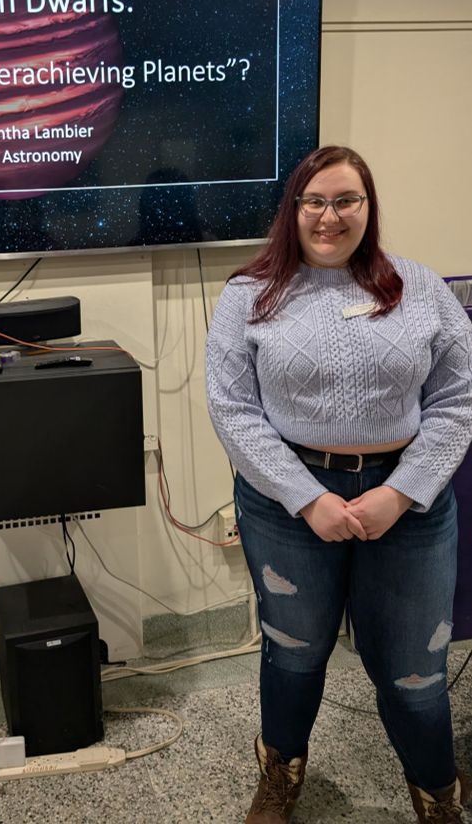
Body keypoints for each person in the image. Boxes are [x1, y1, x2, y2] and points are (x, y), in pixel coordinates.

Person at [205, 145, 472, 823]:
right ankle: (280, 779)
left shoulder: (420, 288)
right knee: (293, 656)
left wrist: (399, 492)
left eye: (345, 200)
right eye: (314, 200)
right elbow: (232, 409)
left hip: (407, 503)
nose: (329, 215)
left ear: (367, 207)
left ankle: (438, 797)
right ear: (292, 210)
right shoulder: (247, 296)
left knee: (415, 675)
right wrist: (308, 498)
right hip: (286, 503)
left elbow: (457, 402)